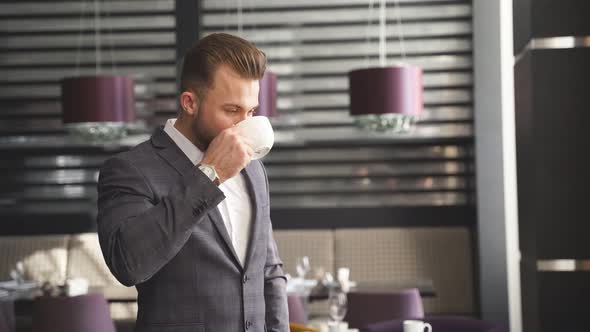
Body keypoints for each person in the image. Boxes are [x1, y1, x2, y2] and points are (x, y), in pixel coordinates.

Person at [97, 33, 288, 332]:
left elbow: (269, 270)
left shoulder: (254, 170)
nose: (244, 125)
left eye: (250, 111)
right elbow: (127, 264)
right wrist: (209, 174)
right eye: (231, 110)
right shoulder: (130, 170)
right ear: (189, 102)